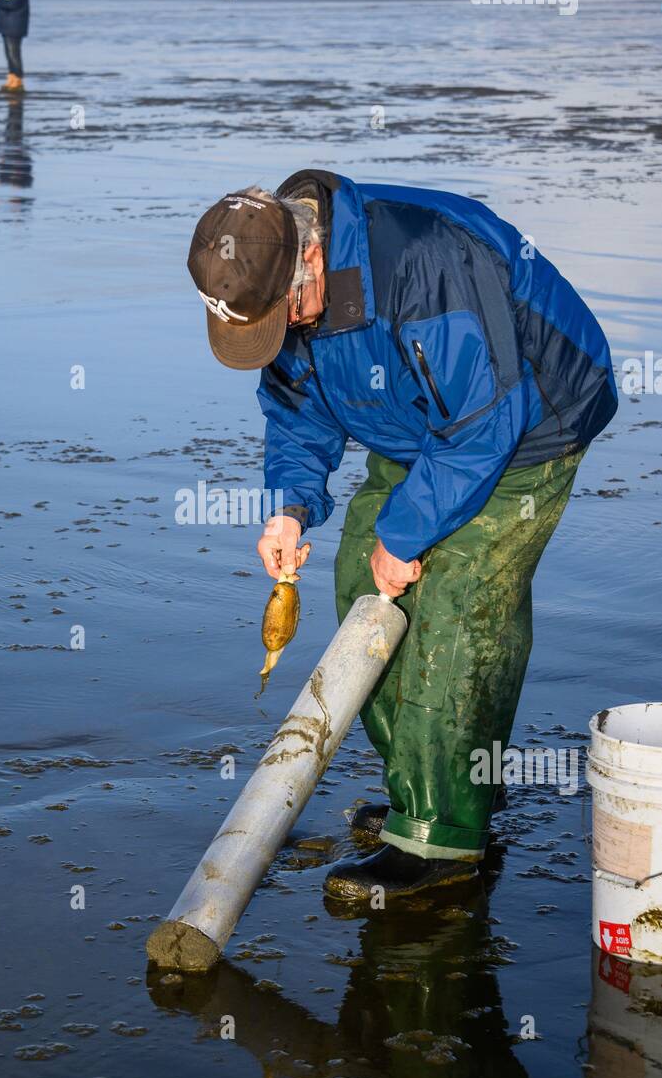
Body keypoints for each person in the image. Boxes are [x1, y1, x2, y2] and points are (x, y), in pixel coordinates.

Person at [186, 171, 618, 900]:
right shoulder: (278, 284)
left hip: (528, 422)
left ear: (311, 261)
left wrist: (407, 534)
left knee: (453, 611)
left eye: (279, 314)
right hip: (419, 420)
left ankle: (441, 845)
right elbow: (296, 406)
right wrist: (289, 506)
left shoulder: (427, 264)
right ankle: (443, 787)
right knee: (362, 584)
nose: (279, 330)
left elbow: (484, 421)